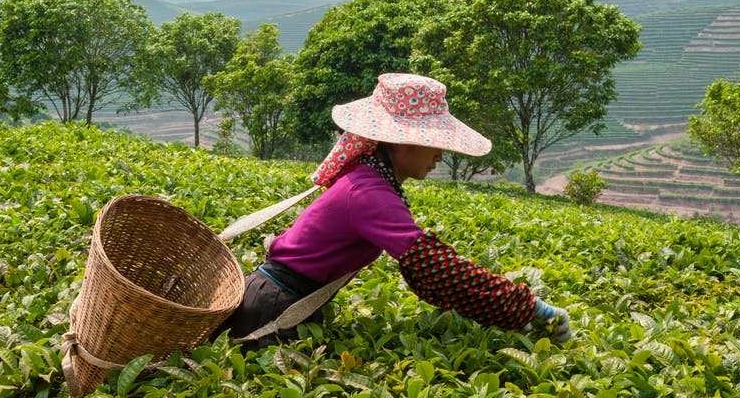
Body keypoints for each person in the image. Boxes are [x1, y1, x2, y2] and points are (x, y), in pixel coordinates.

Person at [216, 73, 572, 349]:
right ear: (400, 143)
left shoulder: (371, 179)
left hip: (284, 297)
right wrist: (525, 307)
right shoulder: (368, 193)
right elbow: (432, 266)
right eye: (432, 144)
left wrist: (509, 312)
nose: (439, 156)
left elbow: (424, 266)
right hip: (274, 305)